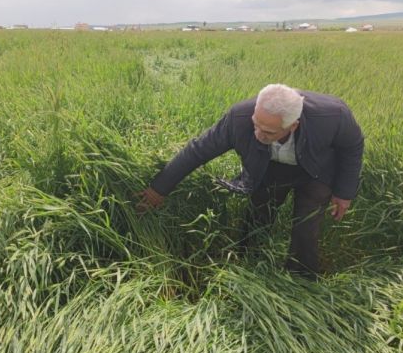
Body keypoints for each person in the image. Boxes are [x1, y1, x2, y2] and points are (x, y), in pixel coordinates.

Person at [136, 84, 364, 278]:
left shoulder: (332, 116)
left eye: (268, 131)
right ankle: (248, 263)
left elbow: (352, 146)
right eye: (256, 123)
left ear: (292, 125)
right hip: (268, 168)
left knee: (306, 228)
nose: (257, 133)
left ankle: (302, 279)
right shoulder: (240, 118)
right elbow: (198, 151)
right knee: (258, 215)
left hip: (315, 171)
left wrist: (344, 192)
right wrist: (159, 189)